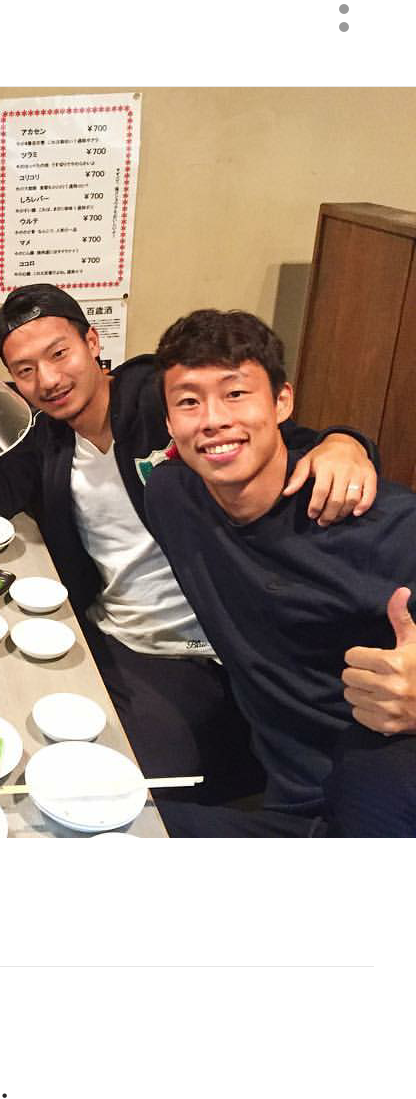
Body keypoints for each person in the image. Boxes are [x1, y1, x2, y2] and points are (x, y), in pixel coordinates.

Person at [0, 284, 377, 801]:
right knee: (41, 732)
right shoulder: (47, 436)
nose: (48, 380)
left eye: (59, 354)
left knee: (129, 781)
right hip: (128, 640)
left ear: (92, 342)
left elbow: (270, 440)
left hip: (220, 640)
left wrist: (345, 442)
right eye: (25, 370)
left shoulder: (154, 397)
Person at [145, 308, 416, 835]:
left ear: (282, 402)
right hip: (287, 802)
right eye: (189, 402)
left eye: (236, 394)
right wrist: (345, 438)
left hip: (383, 807)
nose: (213, 419)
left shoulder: (380, 524)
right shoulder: (172, 498)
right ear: (171, 424)